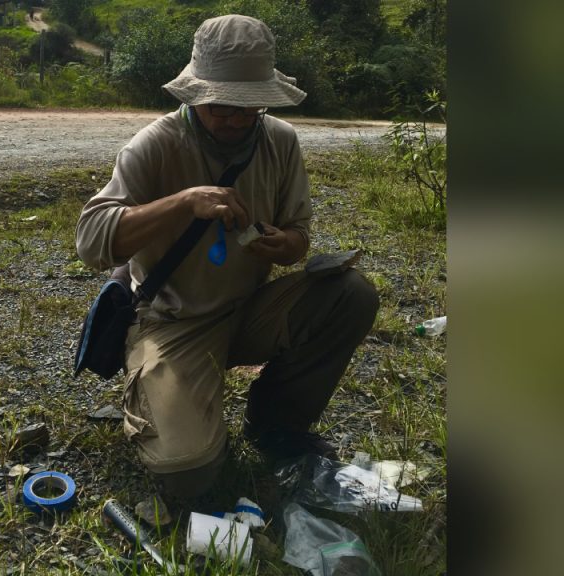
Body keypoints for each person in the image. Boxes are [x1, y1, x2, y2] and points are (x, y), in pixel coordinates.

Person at [75, 15, 379, 499]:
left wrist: (288, 245)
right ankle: (174, 394)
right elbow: (91, 241)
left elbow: (299, 234)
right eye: (222, 107)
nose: (237, 119)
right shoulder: (155, 144)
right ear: (195, 94)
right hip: (173, 321)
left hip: (249, 309)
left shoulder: (280, 141)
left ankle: (276, 424)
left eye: (249, 107)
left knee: (351, 294)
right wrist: (181, 203)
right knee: (188, 472)